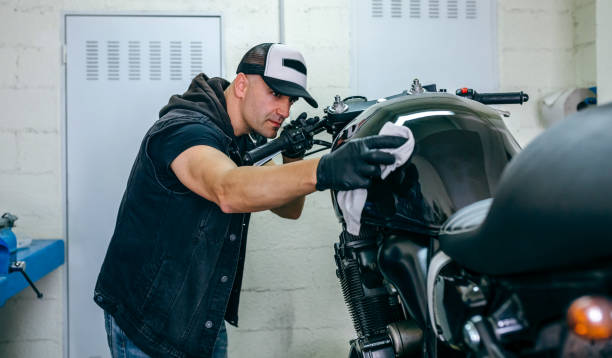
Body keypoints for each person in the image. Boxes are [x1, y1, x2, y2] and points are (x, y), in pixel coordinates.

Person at [93, 43, 405, 358]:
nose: (284, 111)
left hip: (200, 317)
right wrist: (325, 168)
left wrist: (292, 153)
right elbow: (228, 189)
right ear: (241, 84)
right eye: (275, 94)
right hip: (148, 321)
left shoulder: (243, 140)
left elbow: (289, 208)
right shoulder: (184, 130)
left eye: (290, 100)